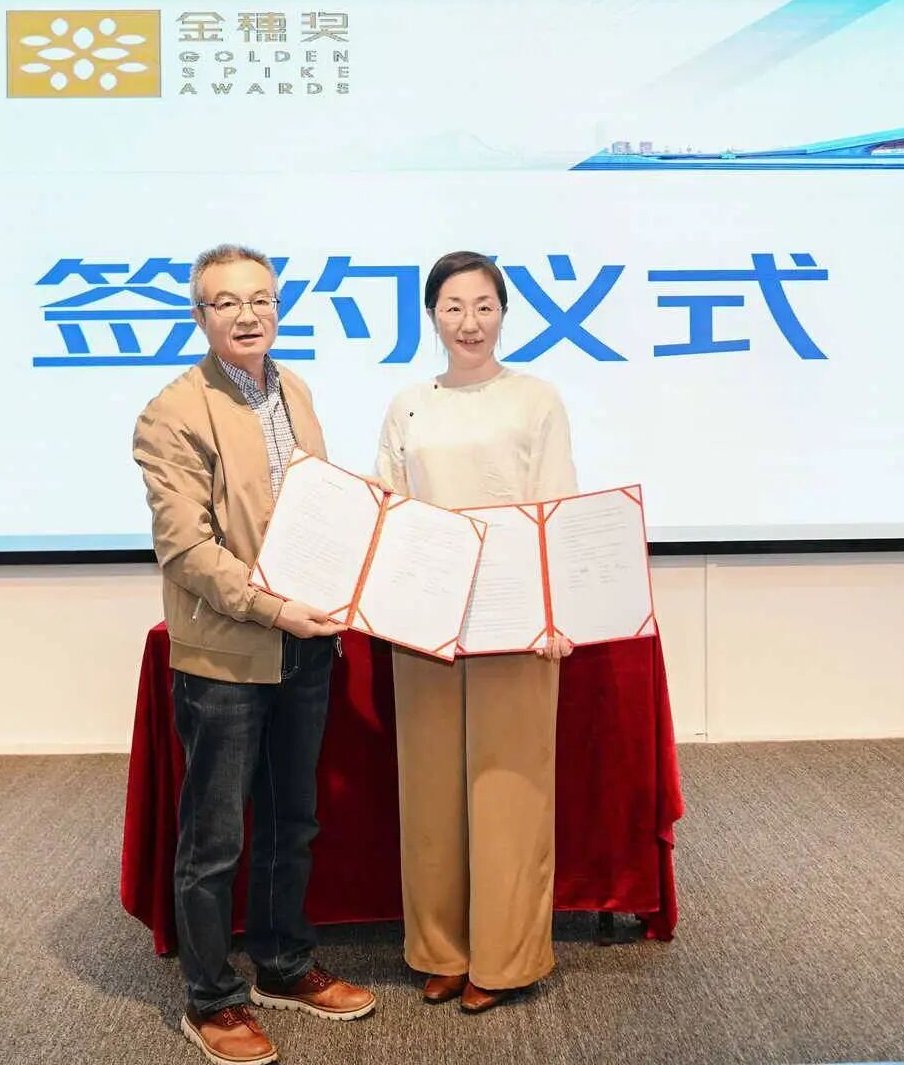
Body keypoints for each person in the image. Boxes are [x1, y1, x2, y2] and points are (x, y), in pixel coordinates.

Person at [134, 244, 376, 1065]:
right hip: (228, 657)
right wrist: (275, 608)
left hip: (307, 643)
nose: (248, 315)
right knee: (215, 840)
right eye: (227, 302)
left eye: (262, 299)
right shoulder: (172, 412)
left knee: (291, 819)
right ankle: (211, 1000)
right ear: (199, 316)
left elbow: (317, 508)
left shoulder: (294, 390)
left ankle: (283, 964)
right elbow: (186, 549)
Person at [374, 249, 578, 1014]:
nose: (470, 322)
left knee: (509, 791)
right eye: (454, 307)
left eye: (484, 306)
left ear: (504, 313)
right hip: (425, 617)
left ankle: (505, 957)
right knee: (429, 790)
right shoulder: (407, 405)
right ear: (432, 315)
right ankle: (442, 951)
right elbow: (388, 506)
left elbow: (556, 505)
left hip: (514, 616)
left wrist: (554, 611)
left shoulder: (536, 399)